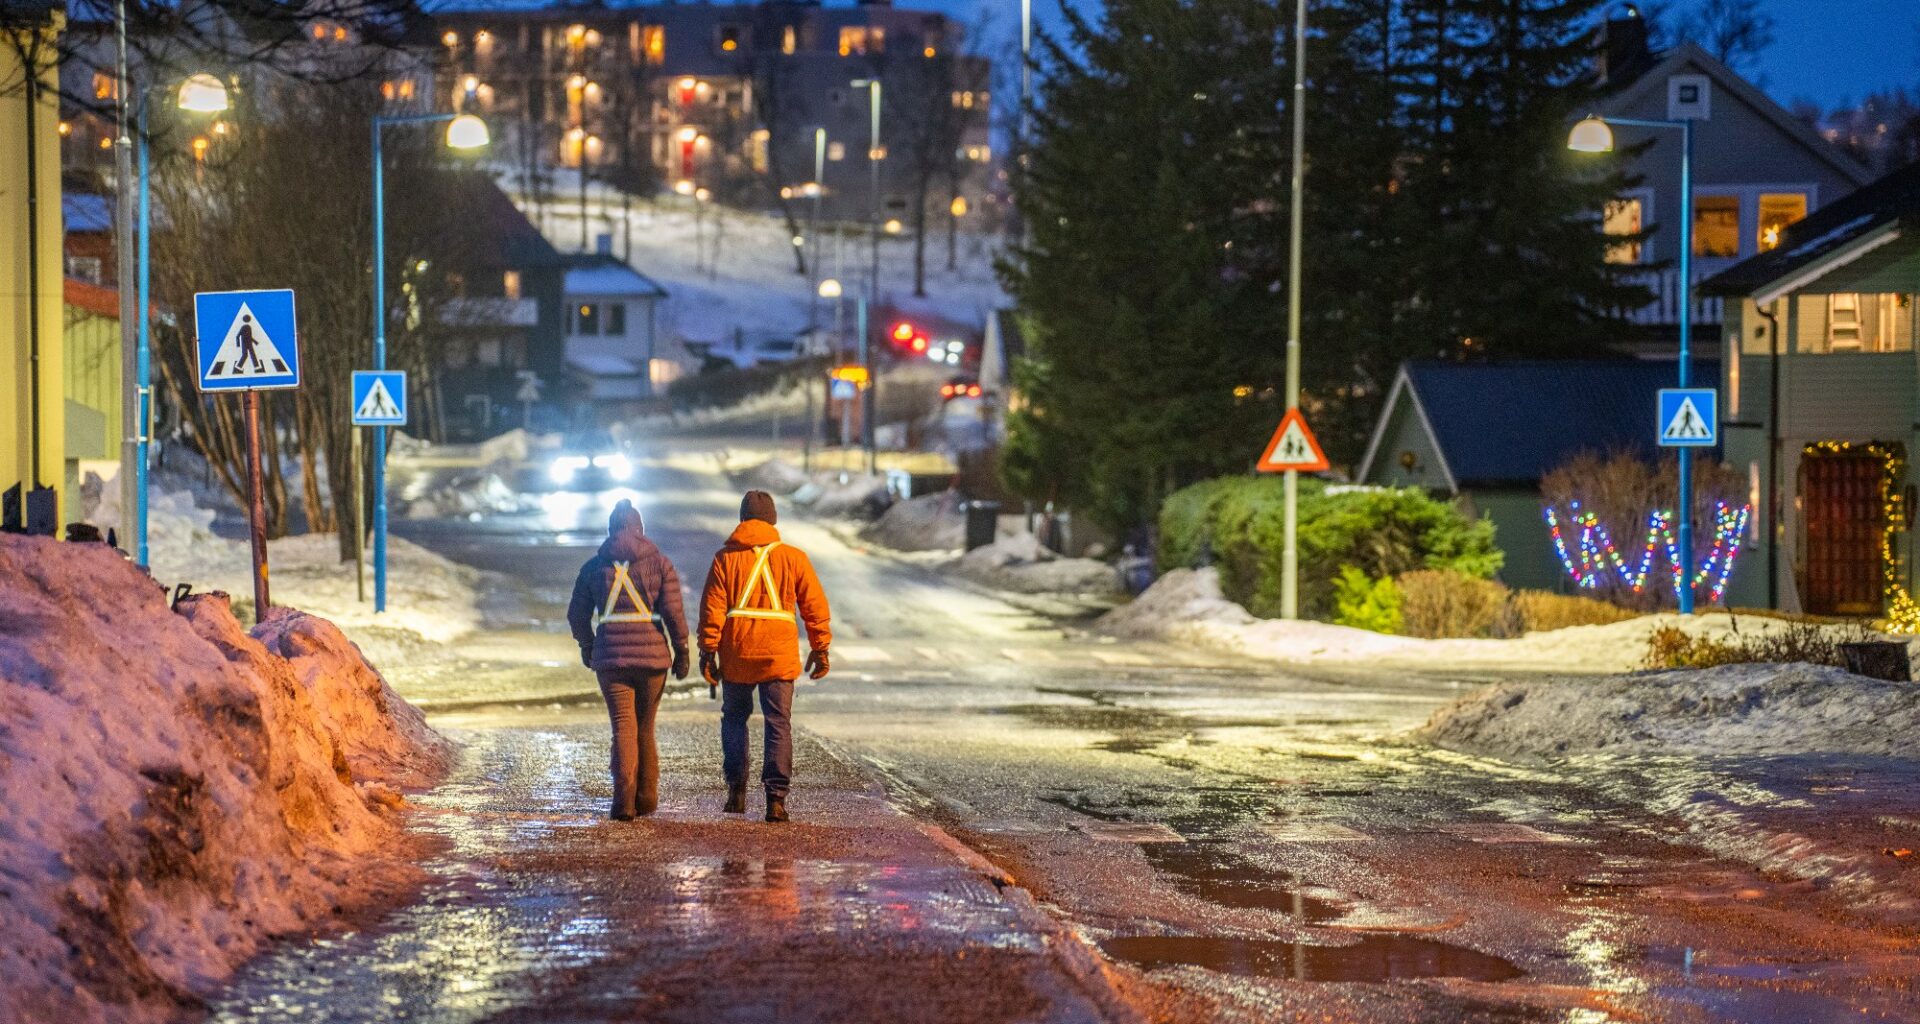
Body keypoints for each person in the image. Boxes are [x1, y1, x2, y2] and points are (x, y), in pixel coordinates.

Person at [698, 490, 831, 823]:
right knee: (778, 723)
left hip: (738, 653)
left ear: (742, 519)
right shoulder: (794, 558)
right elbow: (814, 606)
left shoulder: (724, 559)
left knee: (734, 719)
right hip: (778, 655)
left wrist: (708, 651)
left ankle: (736, 792)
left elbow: (712, 609)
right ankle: (775, 800)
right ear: (773, 520)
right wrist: (820, 646)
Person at [568, 498, 690, 820]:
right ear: (641, 530)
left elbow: (576, 615)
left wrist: (588, 646)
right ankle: (647, 796)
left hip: (611, 658)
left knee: (623, 727)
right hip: (652, 659)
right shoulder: (660, 564)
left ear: (610, 531)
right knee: (645, 728)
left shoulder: (593, 567)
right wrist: (682, 652)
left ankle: (623, 801)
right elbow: (674, 614)